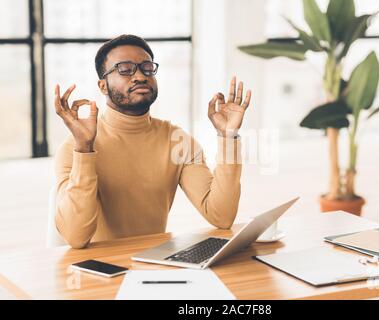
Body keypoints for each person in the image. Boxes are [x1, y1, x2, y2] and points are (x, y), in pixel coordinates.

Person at [54, 34, 252, 249]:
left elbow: (221, 215)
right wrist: (84, 150)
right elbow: (75, 237)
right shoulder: (74, 148)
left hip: (155, 265)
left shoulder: (178, 141)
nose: (140, 76)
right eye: (125, 69)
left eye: (147, 68)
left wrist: (228, 137)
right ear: (103, 86)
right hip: (98, 271)